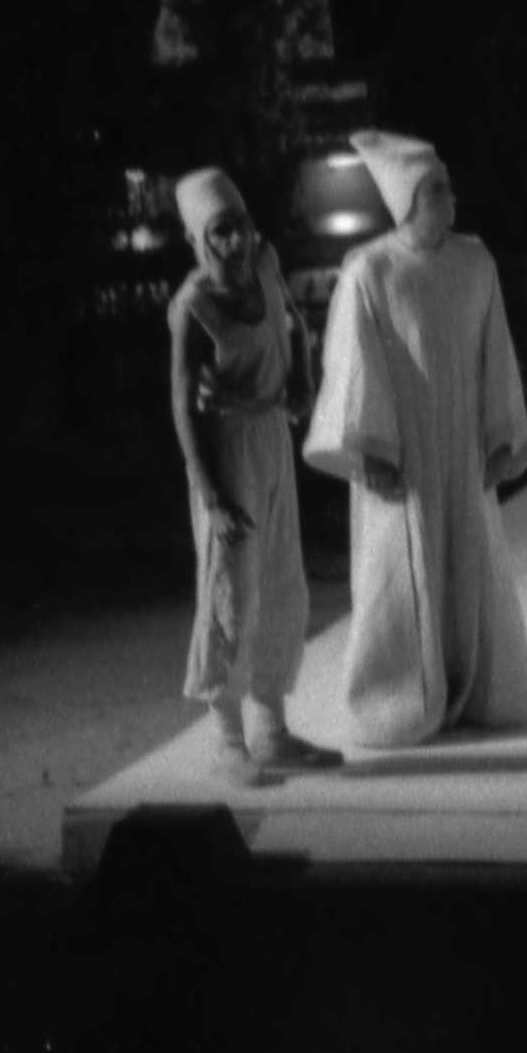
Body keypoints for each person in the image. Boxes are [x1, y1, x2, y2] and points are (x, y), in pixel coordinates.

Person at [303, 132, 527, 749]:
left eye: (448, 186)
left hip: (462, 445)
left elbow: (497, 354)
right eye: (437, 188)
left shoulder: (474, 263)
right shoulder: (371, 270)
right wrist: (371, 449)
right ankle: (400, 697)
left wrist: (500, 435)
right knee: (401, 569)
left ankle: (475, 688)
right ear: (405, 197)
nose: (451, 197)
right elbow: (354, 364)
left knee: (468, 558)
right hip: (404, 449)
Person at [166, 168, 342, 787]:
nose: (236, 242)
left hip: (270, 437)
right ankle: (227, 741)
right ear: (198, 240)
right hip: (227, 449)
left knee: (280, 584)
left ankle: (272, 732)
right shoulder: (193, 307)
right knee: (231, 594)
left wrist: (301, 382)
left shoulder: (264, 267)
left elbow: (293, 324)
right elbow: (183, 406)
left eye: (240, 227)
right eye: (220, 233)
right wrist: (211, 495)